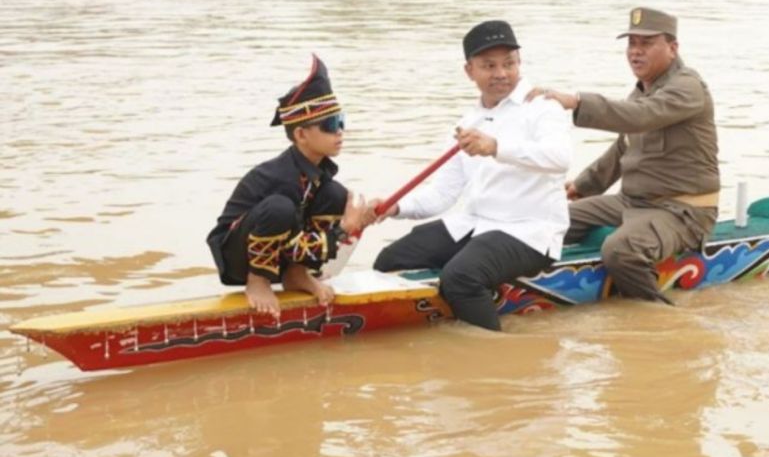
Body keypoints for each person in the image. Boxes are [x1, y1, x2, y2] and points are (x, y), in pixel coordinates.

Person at [373, 20, 571, 331]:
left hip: (529, 232)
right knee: (390, 260)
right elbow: (443, 194)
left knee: (461, 277)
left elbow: (560, 159)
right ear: (470, 71)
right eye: (488, 65)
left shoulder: (542, 107)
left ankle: (492, 357)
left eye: (509, 63)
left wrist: (495, 146)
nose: (501, 73)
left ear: (520, 63)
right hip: (477, 224)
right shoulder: (470, 119)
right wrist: (393, 208)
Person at [532, 7, 720, 304]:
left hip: (681, 211)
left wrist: (577, 101)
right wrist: (582, 186)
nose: (636, 52)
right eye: (632, 44)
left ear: (672, 48)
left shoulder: (687, 87)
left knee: (619, 250)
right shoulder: (642, 92)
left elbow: (639, 116)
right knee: (547, 217)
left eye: (646, 44)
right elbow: (623, 147)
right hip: (632, 201)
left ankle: (657, 315)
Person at [207, 56, 373, 316]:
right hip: (239, 256)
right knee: (280, 207)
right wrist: (342, 231)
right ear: (301, 135)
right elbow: (290, 242)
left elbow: (295, 241)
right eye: (330, 125)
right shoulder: (280, 178)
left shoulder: (318, 174)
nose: (339, 132)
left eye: (341, 121)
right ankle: (258, 280)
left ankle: (297, 274)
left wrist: (363, 218)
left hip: (283, 247)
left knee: (335, 194)